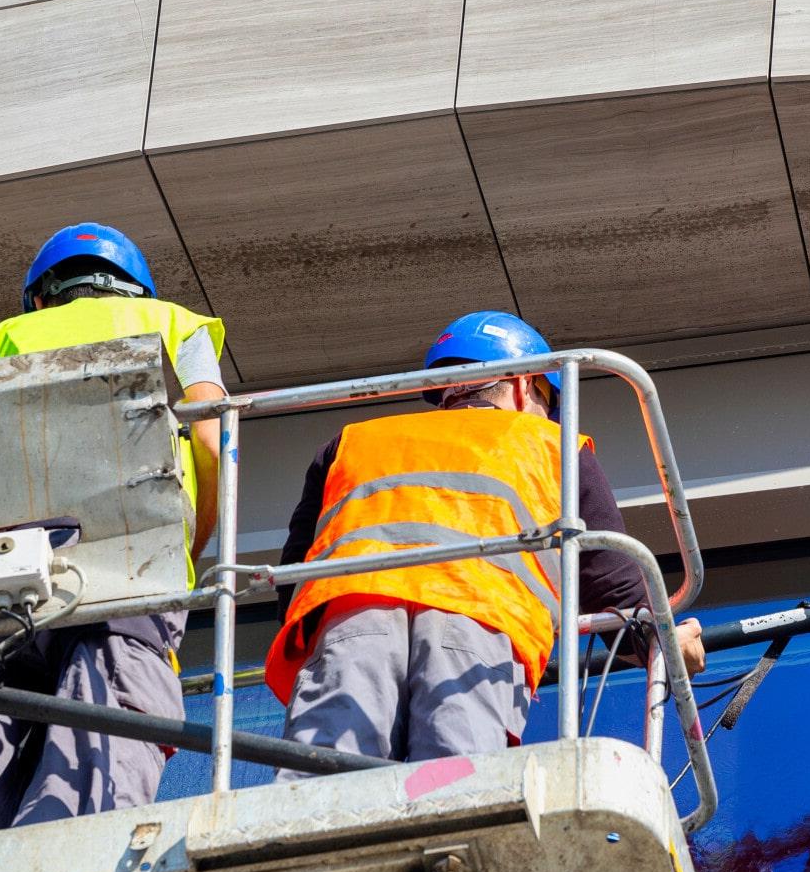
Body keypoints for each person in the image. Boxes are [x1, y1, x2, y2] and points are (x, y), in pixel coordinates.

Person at [266, 311, 703, 768]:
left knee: (327, 773)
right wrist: (666, 641)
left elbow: (295, 569)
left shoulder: (353, 441)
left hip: (350, 620)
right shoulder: (552, 444)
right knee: (454, 780)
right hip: (478, 624)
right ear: (525, 386)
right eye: (546, 400)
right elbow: (614, 584)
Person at [0, 223, 227, 840]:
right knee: (100, 741)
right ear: (134, 290)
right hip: (124, 569)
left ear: (41, 297)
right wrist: (190, 541)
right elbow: (213, 437)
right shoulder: (175, 325)